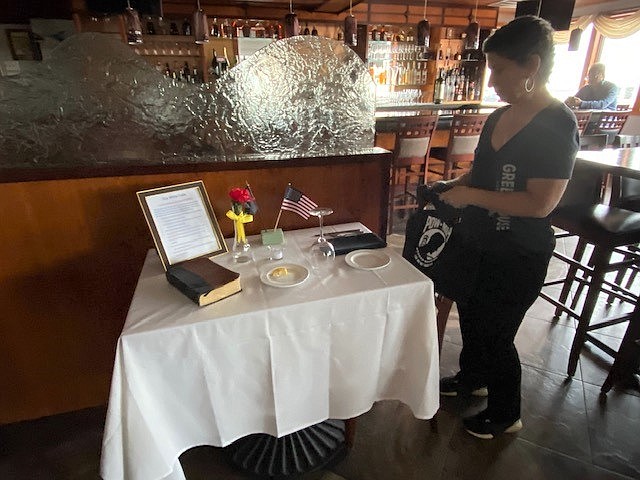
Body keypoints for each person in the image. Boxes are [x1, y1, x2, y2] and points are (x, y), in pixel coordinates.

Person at [434, 16, 579, 439]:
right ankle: (471, 378)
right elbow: (481, 175)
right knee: (474, 316)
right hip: (479, 241)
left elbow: (541, 203)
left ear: (531, 65)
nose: (492, 79)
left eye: (499, 69)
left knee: (497, 332)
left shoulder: (557, 124)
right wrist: (454, 185)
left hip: (520, 252)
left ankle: (505, 412)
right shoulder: (500, 117)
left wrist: (471, 198)